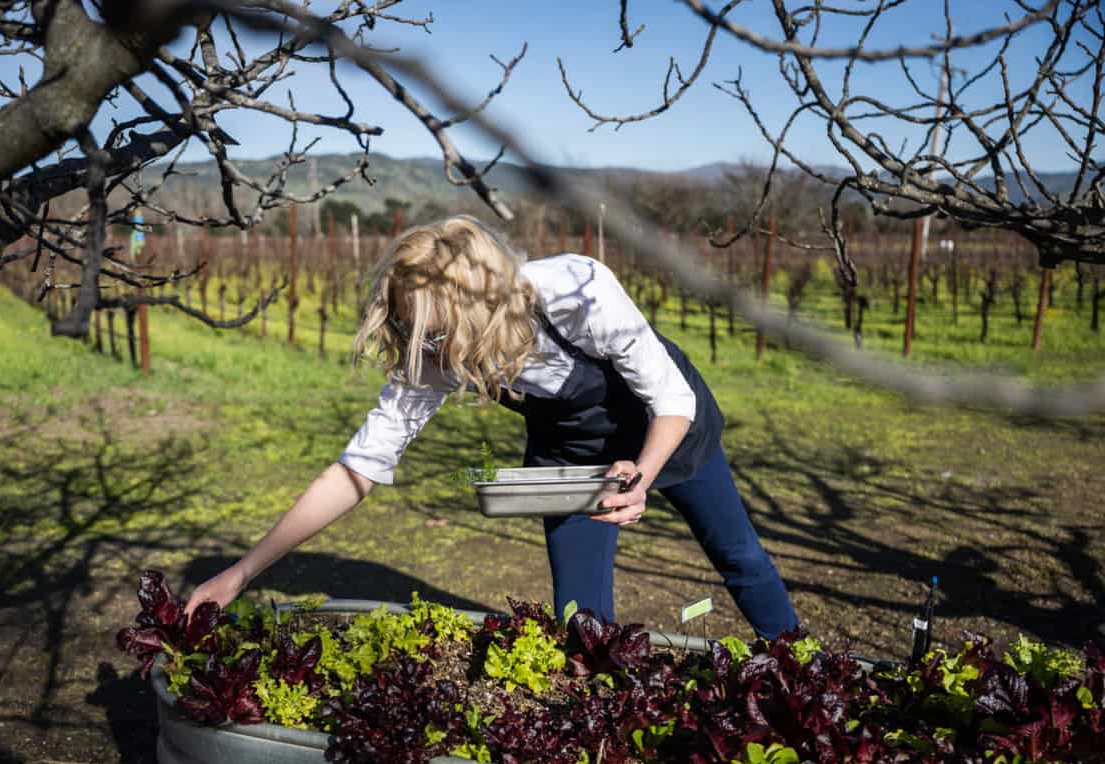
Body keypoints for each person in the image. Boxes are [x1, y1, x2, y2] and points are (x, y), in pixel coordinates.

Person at [185, 216, 798, 639]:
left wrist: (643, 477)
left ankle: (808, 673)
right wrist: (240, 572)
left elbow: (669, 397)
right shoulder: (433, 348)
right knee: (581, 620)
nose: (428, 350)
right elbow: (357, 470)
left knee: (739, 556)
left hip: (666, 426)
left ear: (485, 308)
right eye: (415, 330)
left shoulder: (579, 291)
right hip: (572, 453)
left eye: (440, 334)